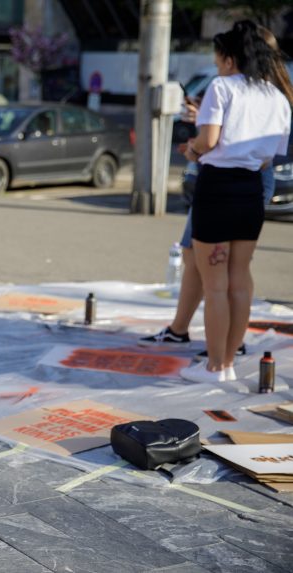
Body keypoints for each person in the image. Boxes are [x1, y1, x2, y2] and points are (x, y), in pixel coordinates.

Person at [140, 25, 293, 363]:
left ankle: (216, 365)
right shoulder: (278, 97)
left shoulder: (222, 87)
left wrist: (193, 150)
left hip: (218, 187)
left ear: (228, 57)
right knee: (239, 279)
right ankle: (228, 360)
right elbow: (269, 155)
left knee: (215, 284)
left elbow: (208, 141)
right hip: (252, 188)